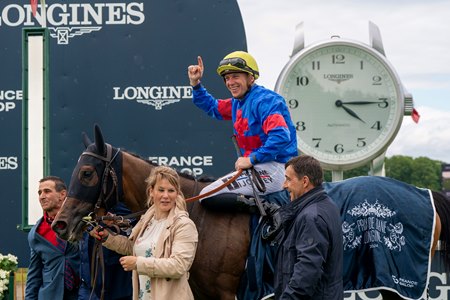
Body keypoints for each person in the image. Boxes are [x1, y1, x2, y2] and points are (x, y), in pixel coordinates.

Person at [187, 51, 297, 211]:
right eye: (227, 78)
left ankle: (269, 210)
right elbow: (213, 107)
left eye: (235, 76)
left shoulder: (265, 101)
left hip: (277, 168)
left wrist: (252, 159)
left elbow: (280, 136)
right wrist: (196, 84)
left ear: (251, 78)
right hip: (259, 166)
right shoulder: (237, 103)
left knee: (207, 195)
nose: (230, 82)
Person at [91, 166, 198, 300]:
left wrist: (138, 264)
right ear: (151, 191)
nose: (166, 195)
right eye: (161, 190)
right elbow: (134, 248)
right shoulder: (147, 221)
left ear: (177, 194)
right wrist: (107, 238)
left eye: (171, 190)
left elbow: (178, 266)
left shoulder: (184, 225)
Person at [274, 155, 343, 299]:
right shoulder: (326, 205)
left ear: (305, 181)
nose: (284, 185)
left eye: (288, 179)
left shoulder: (312, 217)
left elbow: (307, 272)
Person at [25, 176, 80, 300]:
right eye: (39, 192)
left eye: (47, 191)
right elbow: (34, 274)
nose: (42, 196)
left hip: (82, 293)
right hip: (50, 295)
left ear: (62, 194)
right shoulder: (36, 233)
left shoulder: (80, 221)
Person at [78, 202, 134, 300]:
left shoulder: (123, 205)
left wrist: (113, 222)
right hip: (88, 286)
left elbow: (131, 240)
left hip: (116, 286)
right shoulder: (84, 206)